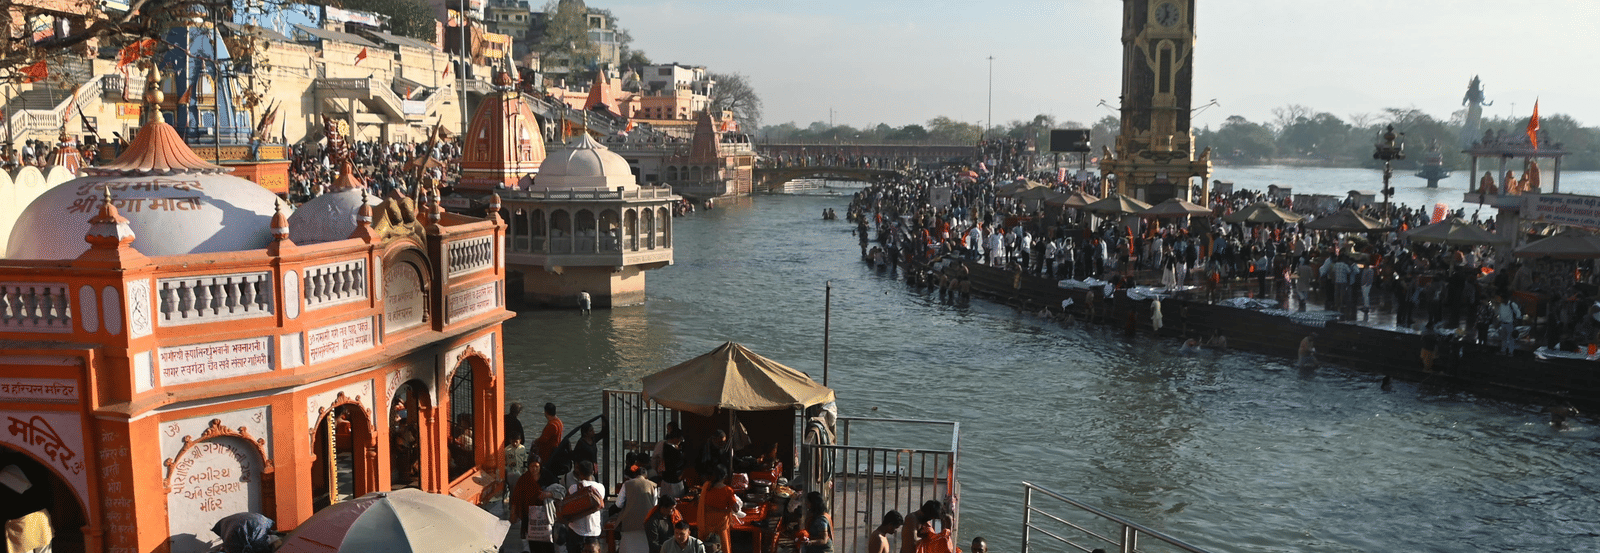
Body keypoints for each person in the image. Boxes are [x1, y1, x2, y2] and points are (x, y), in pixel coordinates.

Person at [510, 460, 564, 553]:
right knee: (534, 545)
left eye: (536, 466)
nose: (534, 469)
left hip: (546, 515)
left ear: (540, 466)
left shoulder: (548, 477)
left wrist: (549, 494)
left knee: (548, 545)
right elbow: (516, 497)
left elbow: (560, 492)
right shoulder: (524, 479)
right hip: (528, 516)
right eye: (531, 466)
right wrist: (513, 512)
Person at [616, 463, 660, 553]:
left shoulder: (627, 484)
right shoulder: (653, 485)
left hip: (629, 522)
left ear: (635, 475)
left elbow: (618, 504)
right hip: (647, 522)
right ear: (646, 476)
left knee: (629, 548)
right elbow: (655, 505)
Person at [566, 461, 607, 553]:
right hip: (594, 531)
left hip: (576, 530)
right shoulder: (600, 488)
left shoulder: (573, 488)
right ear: (592, 472)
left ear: (579, 473)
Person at [696, 466, 740, 553]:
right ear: (725, 477)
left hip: (707, 524)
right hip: (721, 526)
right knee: (723, 548)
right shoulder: (727, 490)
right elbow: (736, 509)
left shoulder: (706, 486)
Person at [657, 429, 686, 499]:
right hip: (674, 479)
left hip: (666, 478)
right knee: (676, 500)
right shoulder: (672, 451)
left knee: (665, 499)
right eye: (680, 440)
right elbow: (677, 464)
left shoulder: (664, 446)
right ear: (675, 439)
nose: (680, 442)